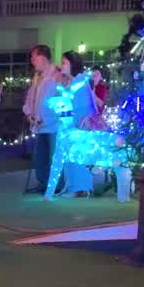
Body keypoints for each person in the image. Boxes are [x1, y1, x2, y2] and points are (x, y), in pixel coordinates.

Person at [51, 51, 98, 197]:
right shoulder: (70, 82)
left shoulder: (81, 81)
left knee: (76, 155)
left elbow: (83, 105)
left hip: (79, 125)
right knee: (68, 155)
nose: (61, 65)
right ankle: (72, 186)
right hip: (69, 125)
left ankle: (79, 187)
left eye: (64, 62)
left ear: (73, 64)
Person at [22, 44, 58, 194]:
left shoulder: (56, 75)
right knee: (41, 156)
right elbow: (30, 98)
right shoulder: (37, 77)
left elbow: (58, 101)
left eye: (34, 57)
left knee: (54, 155)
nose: (32, 60)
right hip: (39, 123)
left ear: (43, 57)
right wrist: (29, 113)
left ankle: (55, 185)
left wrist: (46, 118)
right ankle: (43, 182)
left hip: (53, 124)